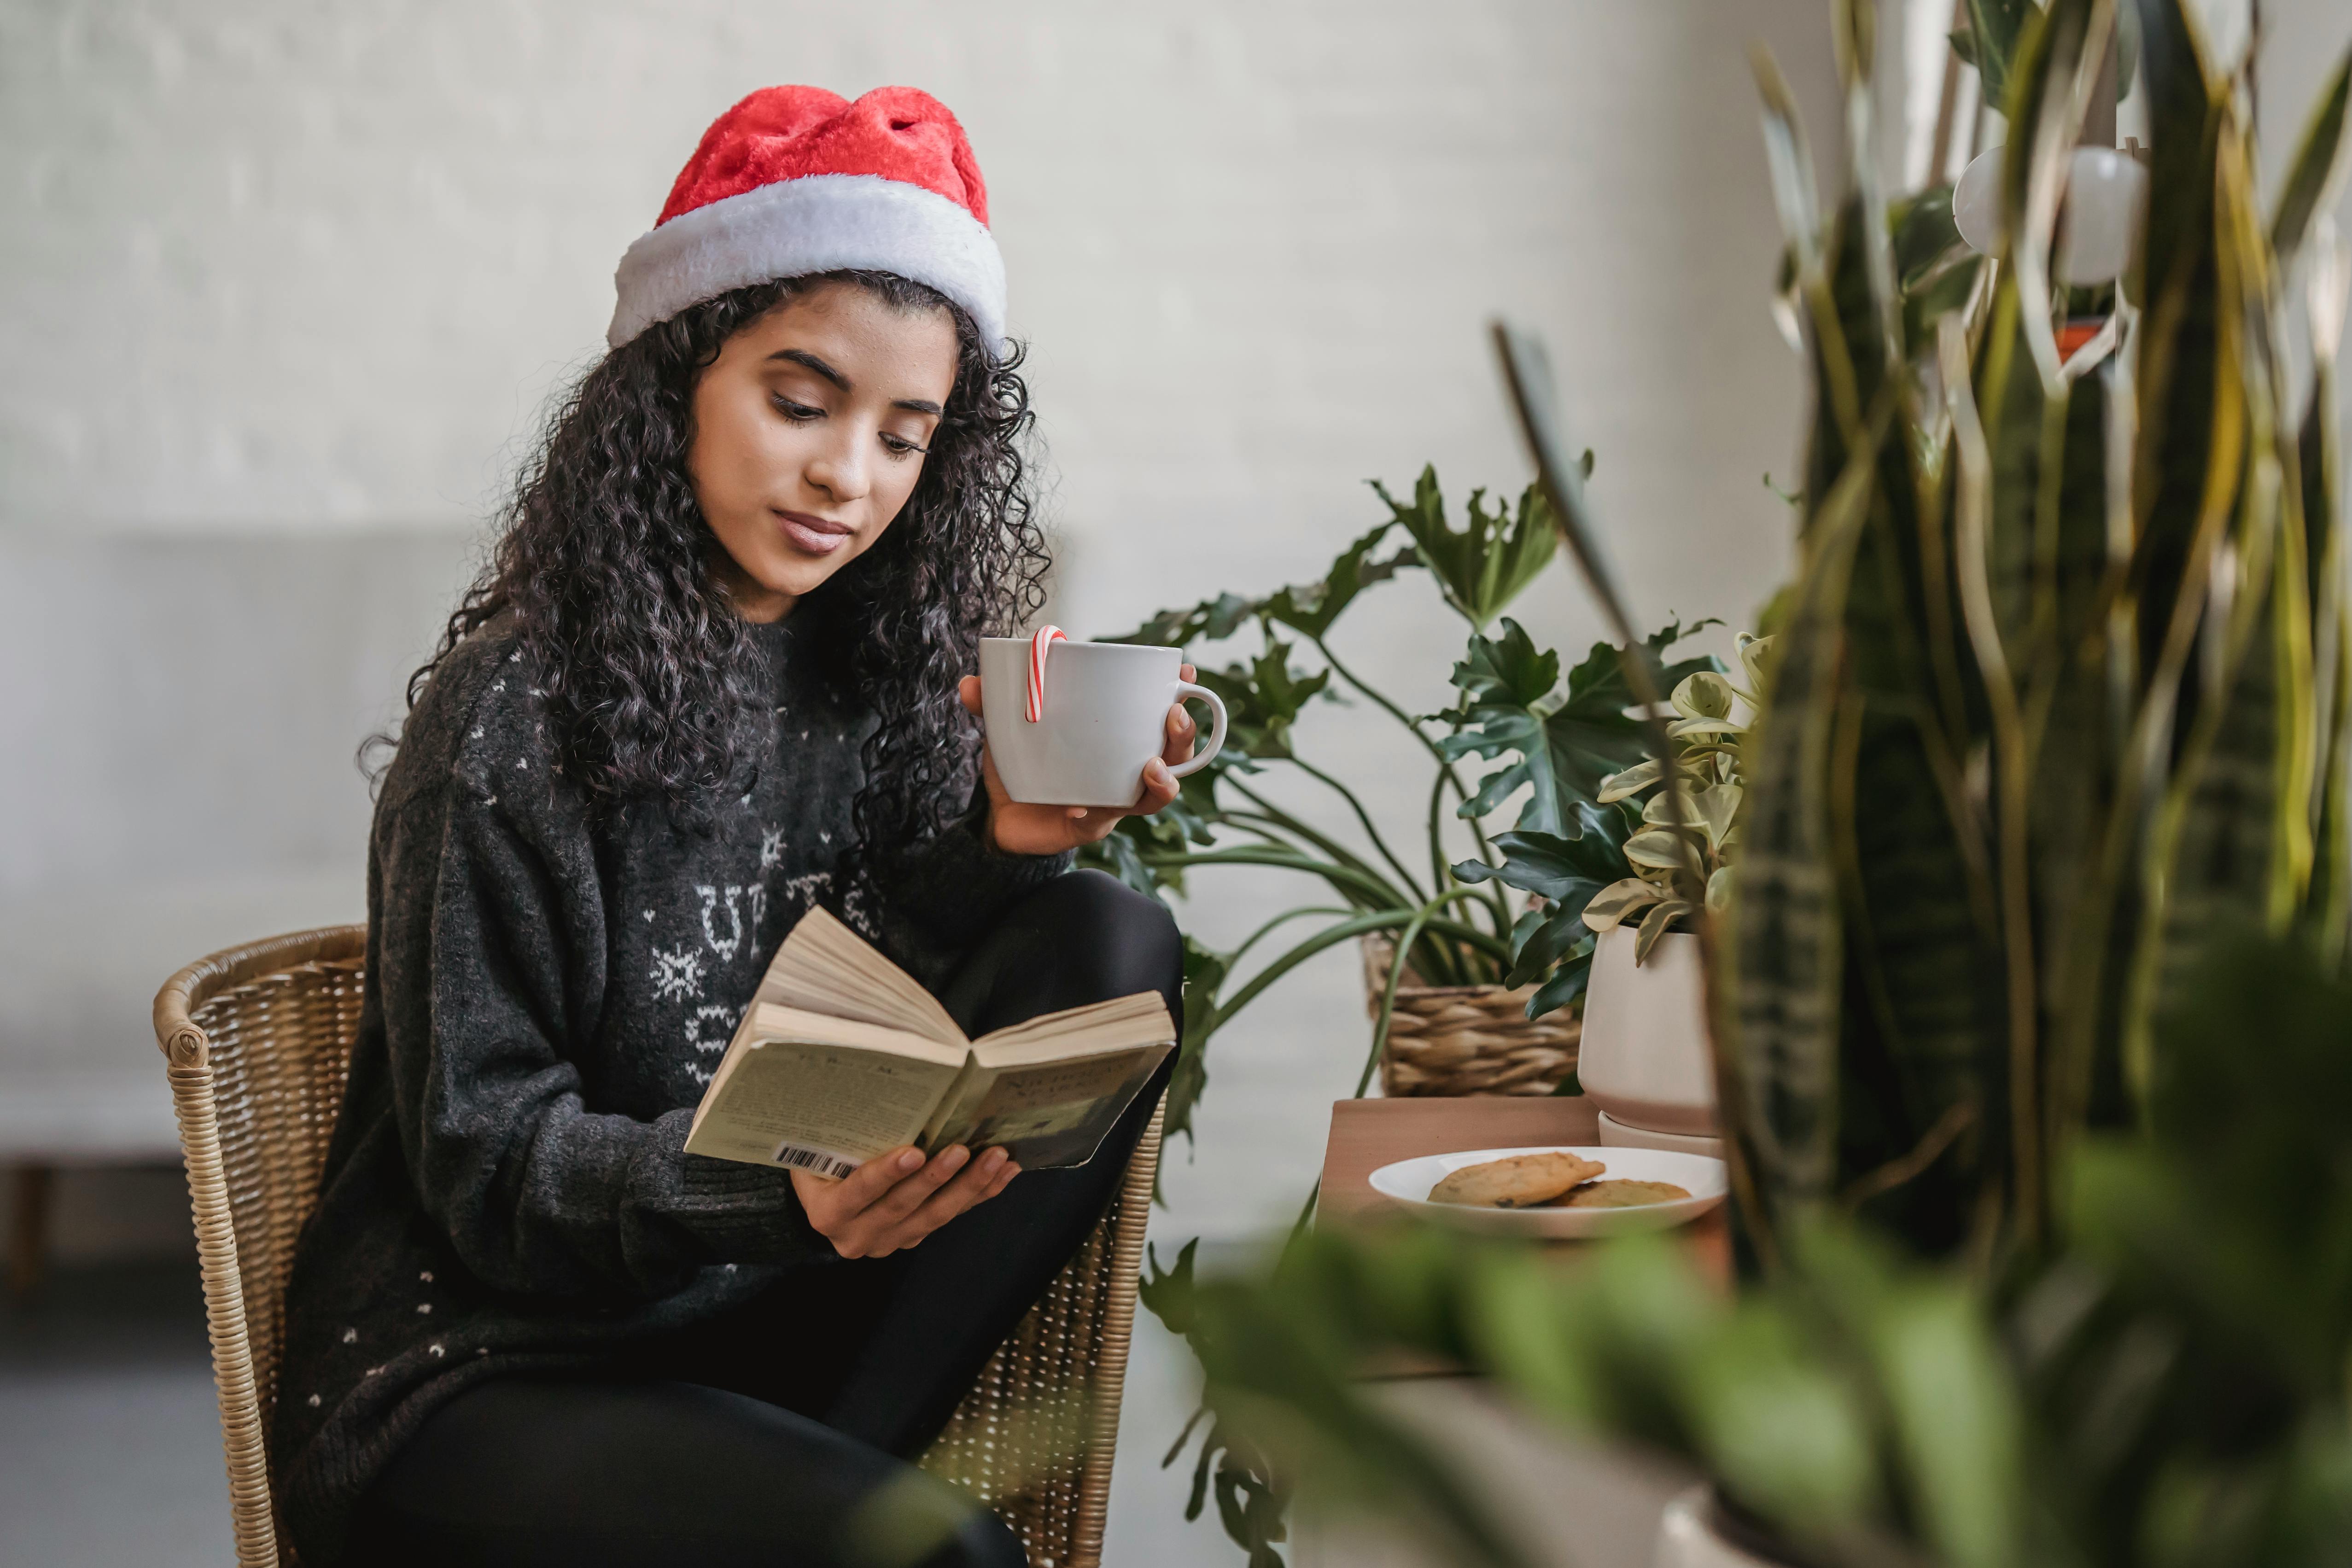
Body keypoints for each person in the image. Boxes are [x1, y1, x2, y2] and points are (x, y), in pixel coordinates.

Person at [268, 85, 1192, 1568]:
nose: (850, 477)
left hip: (761, 1313)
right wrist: (775, 1194)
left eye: (906, 435)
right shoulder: (511, 720)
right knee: (941, 1554)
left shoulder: (876, 670)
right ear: (676, 382)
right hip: (493, 1370)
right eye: (801, 401)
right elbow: (490, 1171)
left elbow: (858, 989)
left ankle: (825, 1494)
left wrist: (1007, 848)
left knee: (1108, 931)